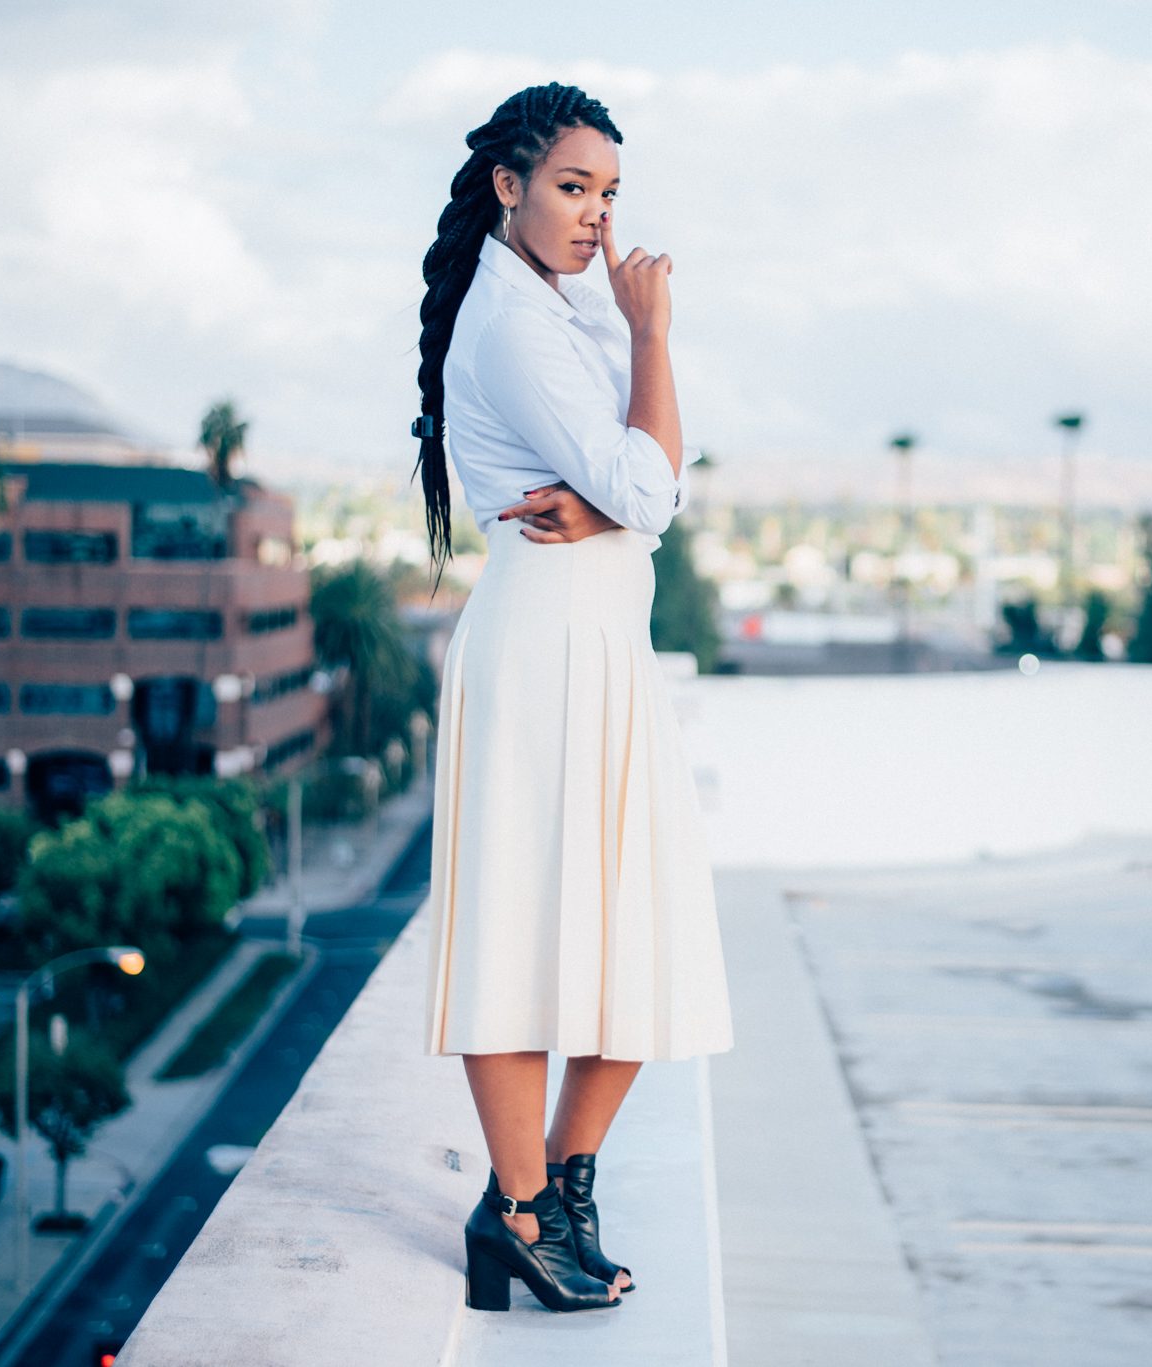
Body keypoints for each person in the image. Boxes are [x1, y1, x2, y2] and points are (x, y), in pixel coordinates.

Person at [410, 82, 732, 1315]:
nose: (596, 216)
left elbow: (655, 477)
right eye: (570, 187)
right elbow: (655, 477)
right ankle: (524, 1211)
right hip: (542, 647)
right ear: (508, 184)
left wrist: (613, 497)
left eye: (608, 194)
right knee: (518, 936)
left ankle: (562, 1185)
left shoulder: (562, 303)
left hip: (605, 642)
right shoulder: (517, 322)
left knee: (636, 941)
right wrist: (654, 338)